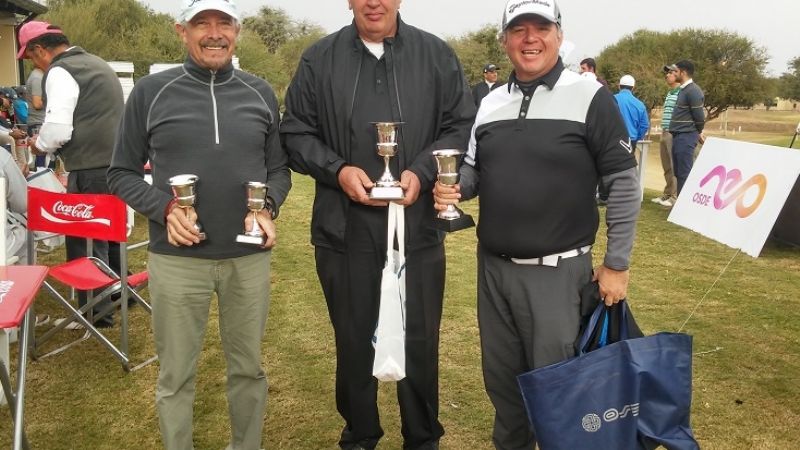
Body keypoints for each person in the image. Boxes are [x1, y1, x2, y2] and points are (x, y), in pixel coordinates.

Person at [433, 0, 640, 447]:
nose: (530, 38)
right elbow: (473, 170)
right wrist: (454, 187)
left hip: (557, 274)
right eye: (518, 29)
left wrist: (617, 263)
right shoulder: (490, 102)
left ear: (559, 36)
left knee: (559, 391)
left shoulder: (590, 96)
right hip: (494, 270)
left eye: (541, 28)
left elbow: (624, 183)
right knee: (504, 386)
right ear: (505, 40)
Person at [280, 0, 475, 447]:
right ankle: (360, 434)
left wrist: (422, 172)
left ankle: (422, 438)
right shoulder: (318, 59)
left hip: (417, 227)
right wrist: (337, 171)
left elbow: (460, 125)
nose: (374, 2)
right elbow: (295, 133)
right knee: (353, 342)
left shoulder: (436, 55)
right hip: (343, 228)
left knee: (419, 340)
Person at [108, 0, 291, 448]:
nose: (213, 33)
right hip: (176, 260)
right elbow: (121, 172)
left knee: (248, 369)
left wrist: (266, 205)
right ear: (182, 31)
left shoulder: (260, 92)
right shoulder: (151, 92)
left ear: (237, 31)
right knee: (175, 375)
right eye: (201, 24)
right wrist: (165, 209)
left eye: (223, 23)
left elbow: (278, 169)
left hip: (247, 257)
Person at [668, 59, 705, 195]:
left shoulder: (693, 91)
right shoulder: (684, 90)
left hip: (686, 136)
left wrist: (698, 132)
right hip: (679, 136)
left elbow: (699, 117)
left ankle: (683, 203)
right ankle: (679, 202)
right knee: (679, 172)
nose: (673, 73)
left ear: (683, 73)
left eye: (675, 71)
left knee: (684, 173)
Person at [652, 64, 681, 207]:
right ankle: (667, 193)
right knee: (666, 166)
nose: (667, 75)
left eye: (670, 73)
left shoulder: (682, 93)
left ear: (678, 74)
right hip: (664, 131)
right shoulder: (670, 93)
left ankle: (674, 196)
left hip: (673, 132)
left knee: (673, 165)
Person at [614, 74, 649, 155]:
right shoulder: (640, 104)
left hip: (612, 139)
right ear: (633, 87)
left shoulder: (610, 99)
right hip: (631, 140)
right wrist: (637, 137)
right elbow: (644, 125)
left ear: (619, 86)